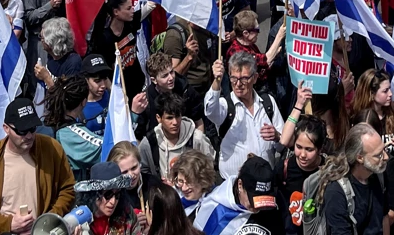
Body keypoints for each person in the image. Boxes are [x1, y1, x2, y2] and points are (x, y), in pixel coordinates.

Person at [0, 98, 77, 234]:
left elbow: (68, 188)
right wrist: (8, 224)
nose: (29, 135)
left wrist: (47, 221)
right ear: (6, 128)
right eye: (22, 131)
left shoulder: (52, 148)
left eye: (32, 129)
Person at [204, 51, 286, 181]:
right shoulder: (225, 105)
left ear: (255, 77)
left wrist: (276, 136)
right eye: (233, 78)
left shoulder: (268, 103)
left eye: (244, 78)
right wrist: (217, 81)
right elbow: (210, 110)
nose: (238, 84)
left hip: (264, 182)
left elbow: (282, 144)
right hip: (233, 183)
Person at [306, 123, 388, 235]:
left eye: (384, 150)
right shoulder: (336, 192)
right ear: (360, 158)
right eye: (378, 155)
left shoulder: (377, 175)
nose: (386, 157)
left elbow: (383, 219)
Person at [137, 91, 214, 183]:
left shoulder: (197, 139)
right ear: (158, 118)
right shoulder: (149, 143)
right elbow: (143, 173)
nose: (175, 122)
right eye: (169, 118)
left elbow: (210, 168)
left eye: (178, 116)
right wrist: (158, 183)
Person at [273, 115, 325, 235]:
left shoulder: (327, 171)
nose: (302, 154)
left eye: (309, 149)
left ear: (320, 149)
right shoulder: (283, 169)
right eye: (299, 147)